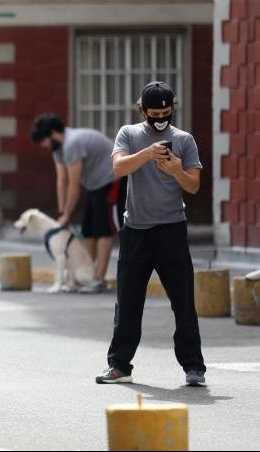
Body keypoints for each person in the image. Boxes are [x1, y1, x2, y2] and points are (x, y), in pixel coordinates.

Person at [96, 81, 207, 387]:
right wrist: (147, 153)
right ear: (142, 110)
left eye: (166, 112)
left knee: (183, 301)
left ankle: (194, 367)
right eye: (154, 113)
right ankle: (119, 366)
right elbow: (118, 168)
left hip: (172, 229)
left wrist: (175, 171)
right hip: (136, 230)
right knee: (128, 301)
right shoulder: (129, 134)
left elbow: (193, 185)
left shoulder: (184, 140)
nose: (161, 118)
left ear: (173, 108)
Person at [31, 114, 127, 293]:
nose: (44, 146)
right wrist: (62, 213)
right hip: (94, 185)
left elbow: (74, 185)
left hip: (111, 180)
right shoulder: (57, 149)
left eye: (44, 141)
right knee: (88, 231)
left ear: (53, 134)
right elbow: (62, 179)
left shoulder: (72, 143)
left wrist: (67, 214)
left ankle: (98, 279)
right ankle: (86, 275)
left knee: (104, 231)